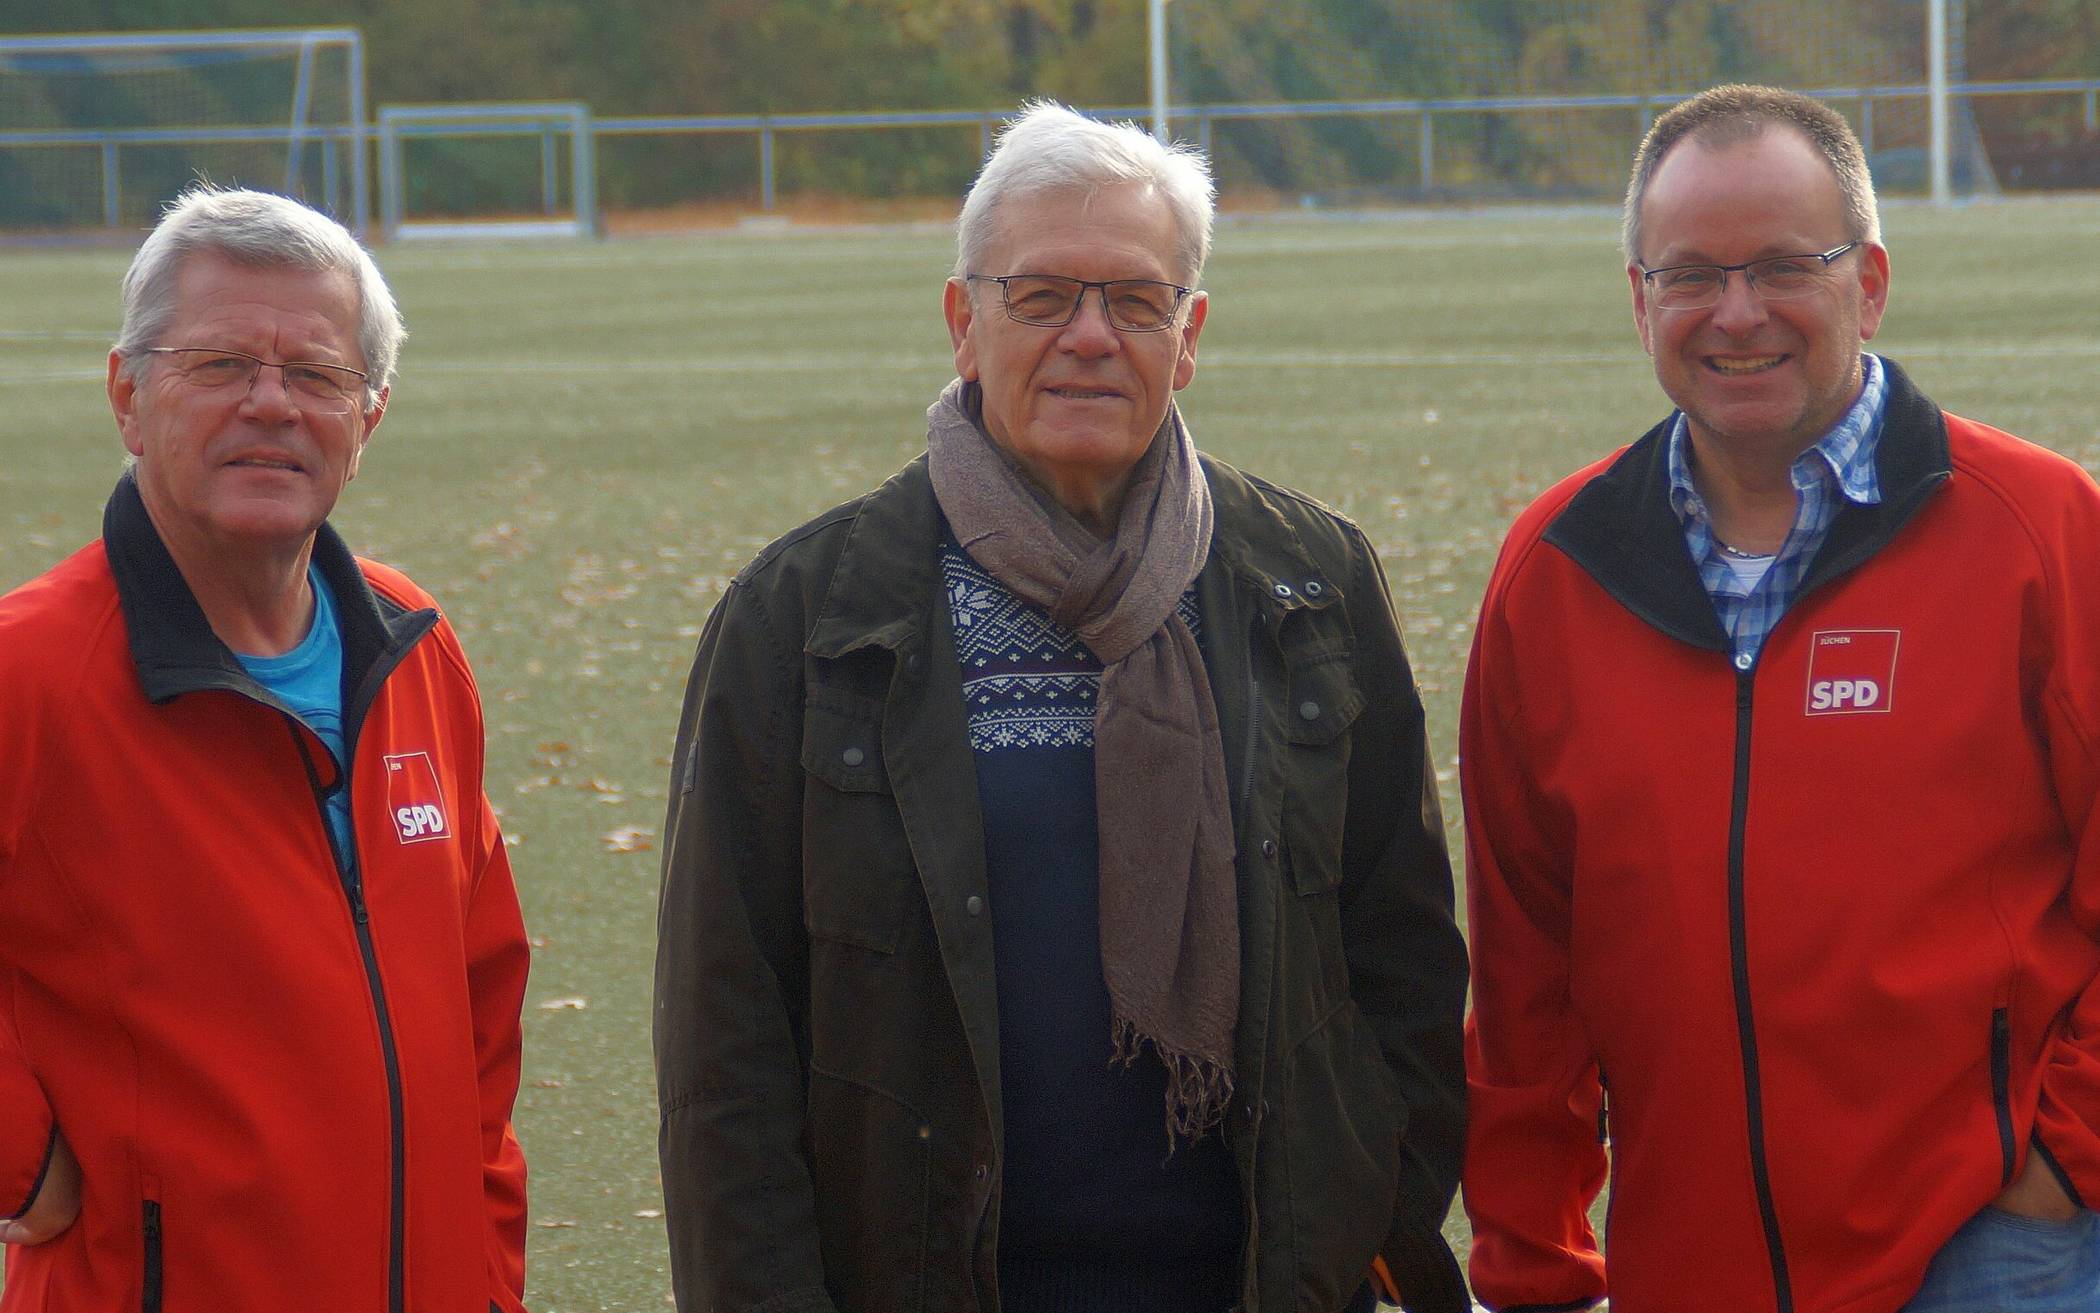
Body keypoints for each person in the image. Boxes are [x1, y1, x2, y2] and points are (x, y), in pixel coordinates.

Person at [654, 101, 1469, 1313]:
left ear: (1186, 337)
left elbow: (1400, 952)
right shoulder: (806, 616)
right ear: (963, 323)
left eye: (1135, 301)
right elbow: (726, 1039)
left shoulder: (1311, 584)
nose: (1091, 335)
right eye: (1042, 297)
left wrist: (1364, 1213)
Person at [1461, 83, 2100, 1313]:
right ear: (1638, 298)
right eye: (1692, 273)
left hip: (1997, 1255)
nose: (1737, 312)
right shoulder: (1557, 573)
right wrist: (1533, 1265)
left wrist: (2067, 1148)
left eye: (1781, 267)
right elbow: (1525, 971)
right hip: (1689, 1267)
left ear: (1868, 281)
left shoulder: (2041, 532)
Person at [0, 186, 530, 1311]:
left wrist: (484, 1277)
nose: (272, 404)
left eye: (318, 375)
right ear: (128, 394)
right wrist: (23, 1161)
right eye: (219, 362)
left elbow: (479, 1024)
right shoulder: (29, 672)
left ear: (369, 416)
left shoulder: (418, 650)